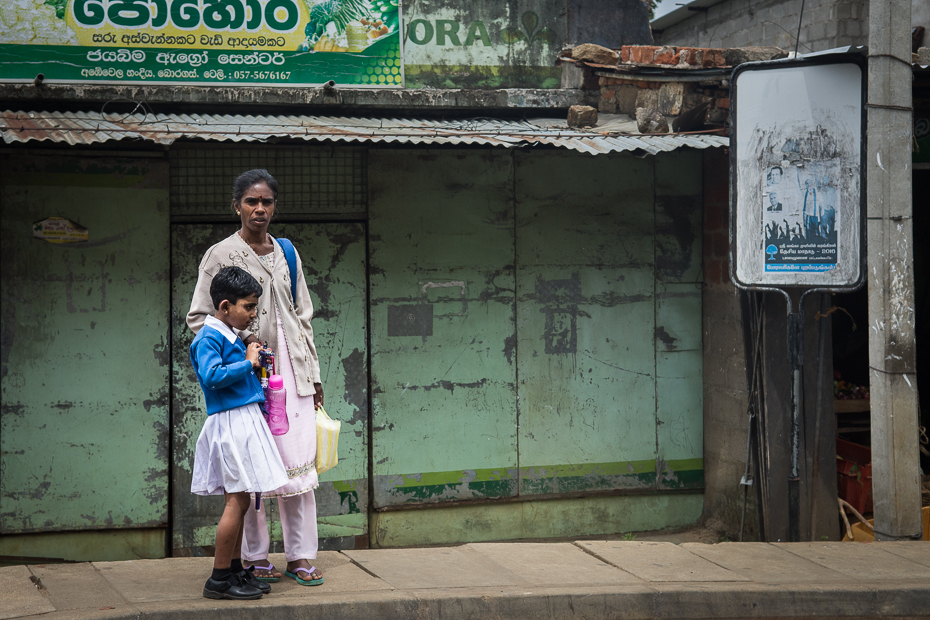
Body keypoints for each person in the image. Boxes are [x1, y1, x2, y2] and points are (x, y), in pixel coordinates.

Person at [187, 169, 325, 587]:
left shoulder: (288, 252)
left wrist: (313, 374)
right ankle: (255, 557)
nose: (259, 209)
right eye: (251, 201)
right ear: (236, 206)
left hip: (295, 375)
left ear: (274, 206)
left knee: (298, 472)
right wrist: (247, 347)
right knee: (253, 472)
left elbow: (304, 316)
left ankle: (300, 556)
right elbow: (199, 317)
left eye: (266, 202)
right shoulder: (219, 254)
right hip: (254, 380)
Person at [189, 266, 289, 600]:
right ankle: (218, 578)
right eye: (248, 307)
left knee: (243, 499)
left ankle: (234, 570)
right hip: (230, 424)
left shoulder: (228, 334)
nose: (252, 314)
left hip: (243, 420)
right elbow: (212, 375)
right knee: (235, 500)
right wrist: (248, 362)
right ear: (224, 306)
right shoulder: (208, 337)